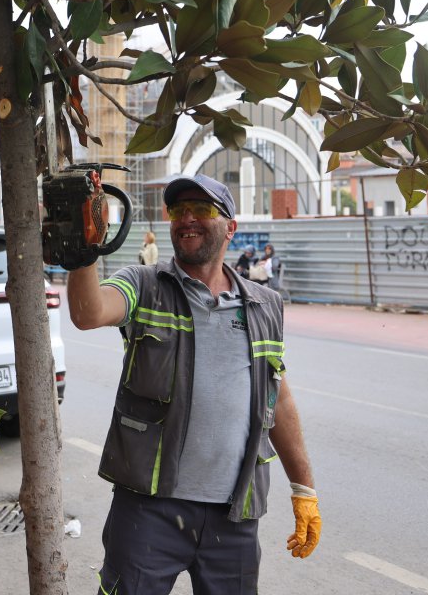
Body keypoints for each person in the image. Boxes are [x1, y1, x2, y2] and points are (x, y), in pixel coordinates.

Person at [67, 173, 320, 594]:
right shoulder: (145, 285)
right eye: (178, 210)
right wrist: (85, 250)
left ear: (230, 226)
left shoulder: (265, 305)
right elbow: (88, 313)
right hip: (148, 511)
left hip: (233, 516)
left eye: (201, 209)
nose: (187, 218)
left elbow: (279, 399)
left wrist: (304, 487)